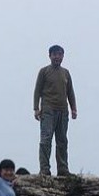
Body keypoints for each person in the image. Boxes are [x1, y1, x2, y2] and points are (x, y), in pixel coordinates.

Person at [33, 44, 78, 176]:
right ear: (50, 56)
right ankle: (44, 169)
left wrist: (73, 108)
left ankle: (63, 169)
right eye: (55, 54)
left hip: (63, 111)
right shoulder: (44, 71)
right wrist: (36, 108)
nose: (57, 57)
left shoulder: (66, 73)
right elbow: (37, 90)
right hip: (48, 110)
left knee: (62, 140)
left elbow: (70, 92)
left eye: (60, 54)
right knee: (46, 140)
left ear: (63, 56)